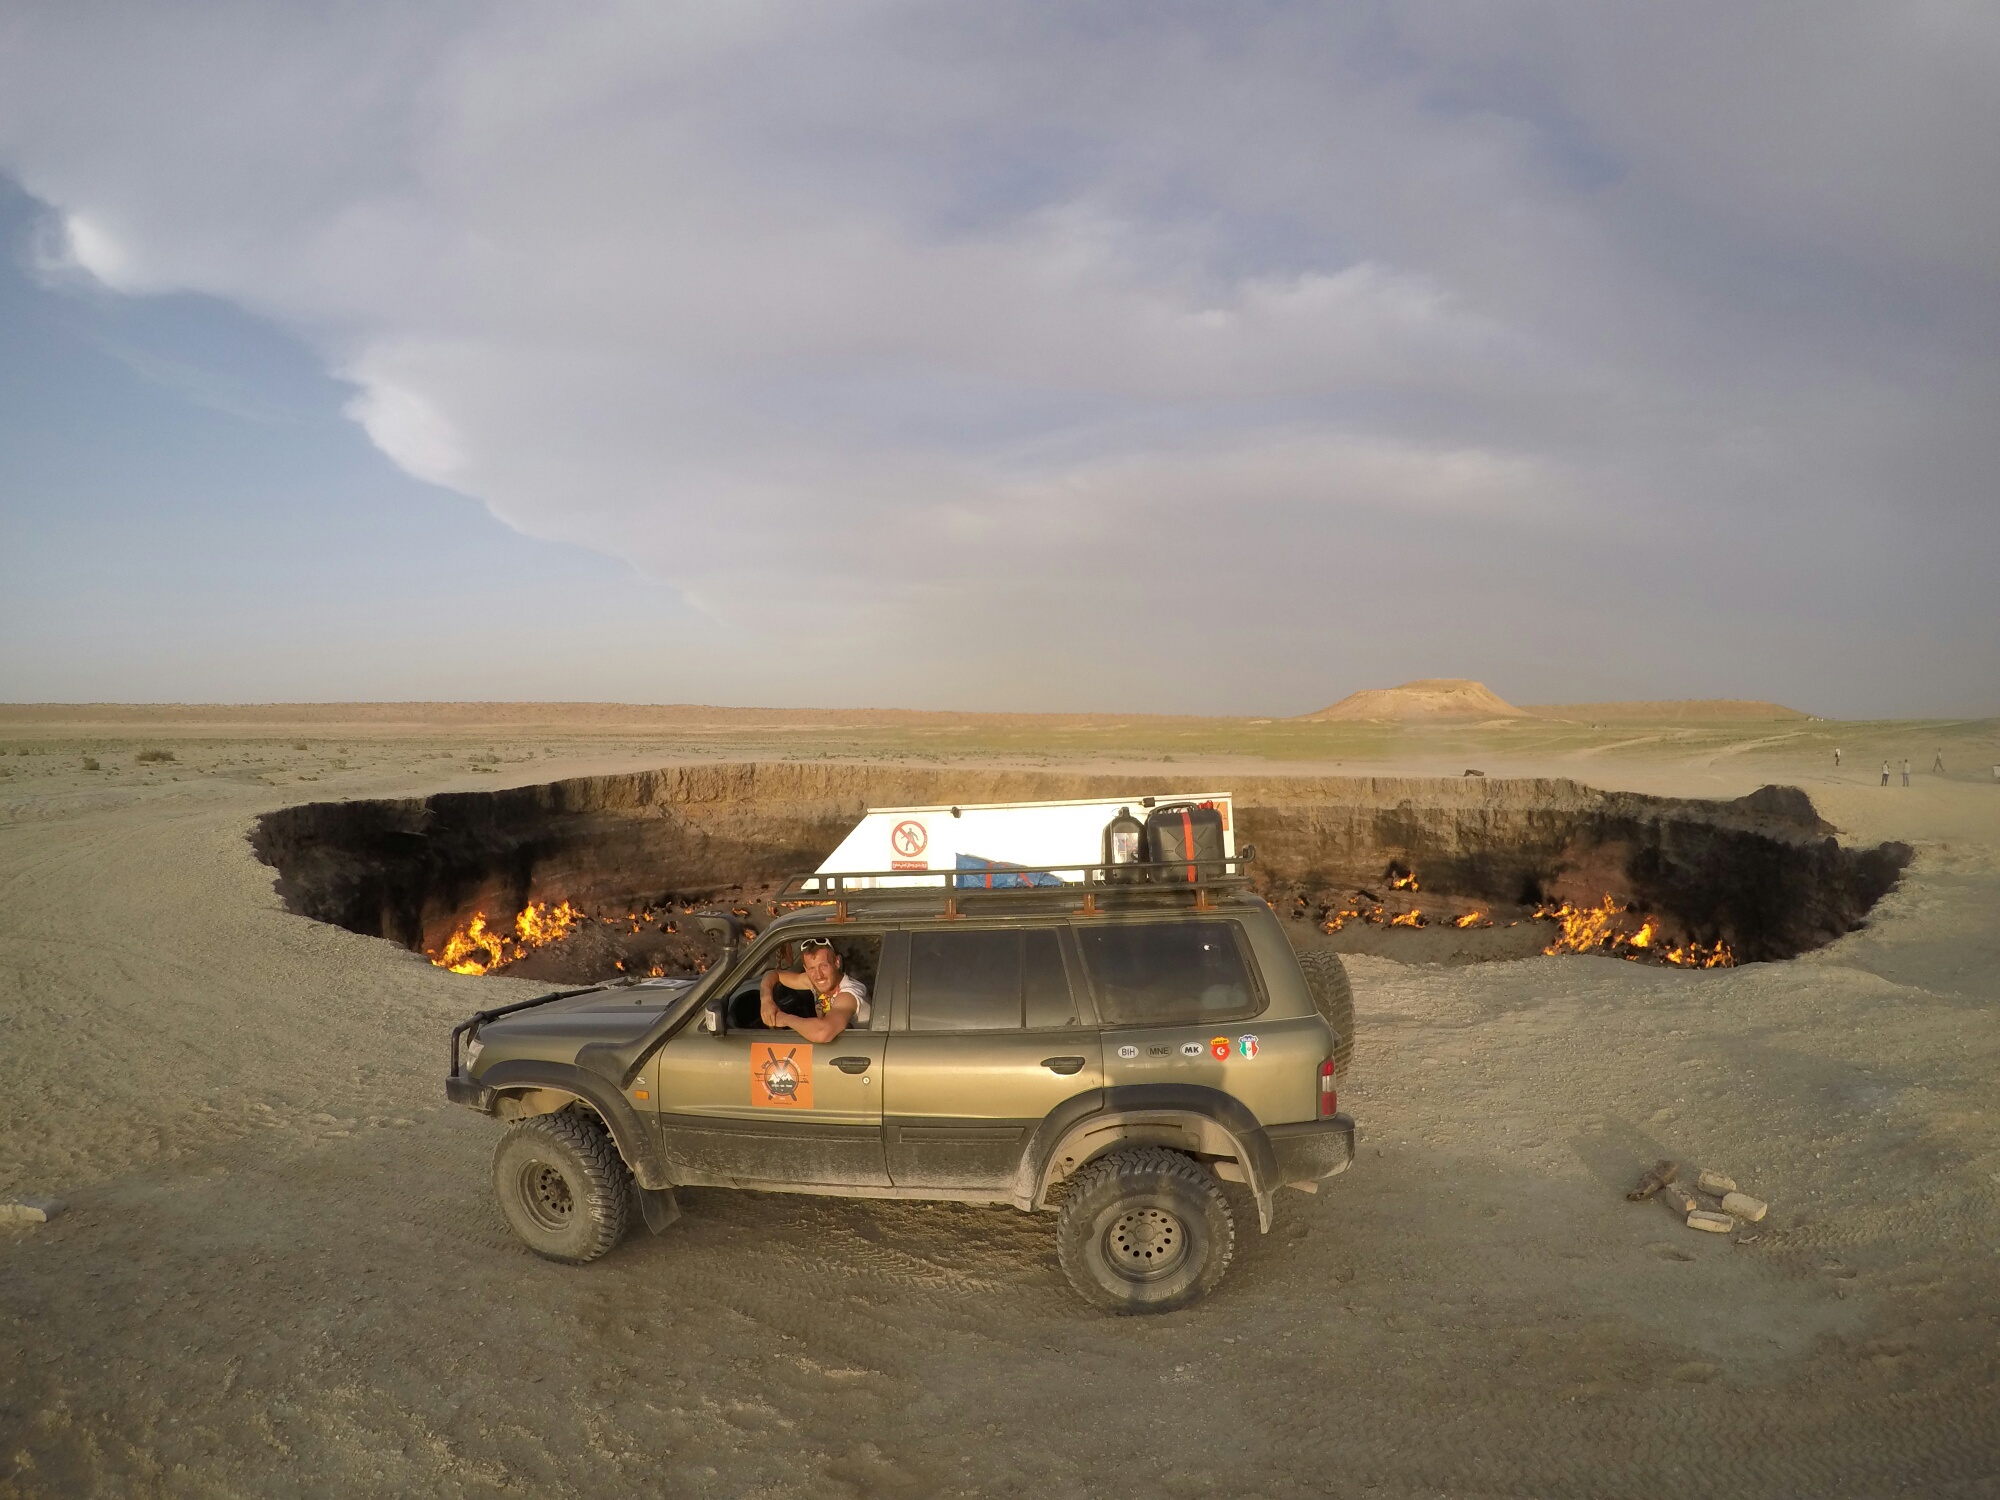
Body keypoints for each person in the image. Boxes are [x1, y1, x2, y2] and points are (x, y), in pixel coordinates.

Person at [759, 937, 870, 1043]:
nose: (818, 975)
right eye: (812, 968)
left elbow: (822, 1033)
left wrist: (784, 1019)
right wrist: (766, 1000)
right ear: (806, 969)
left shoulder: (848, 994)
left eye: (824, 966)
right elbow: (772, 974)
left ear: (837, 962)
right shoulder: (814, 981)